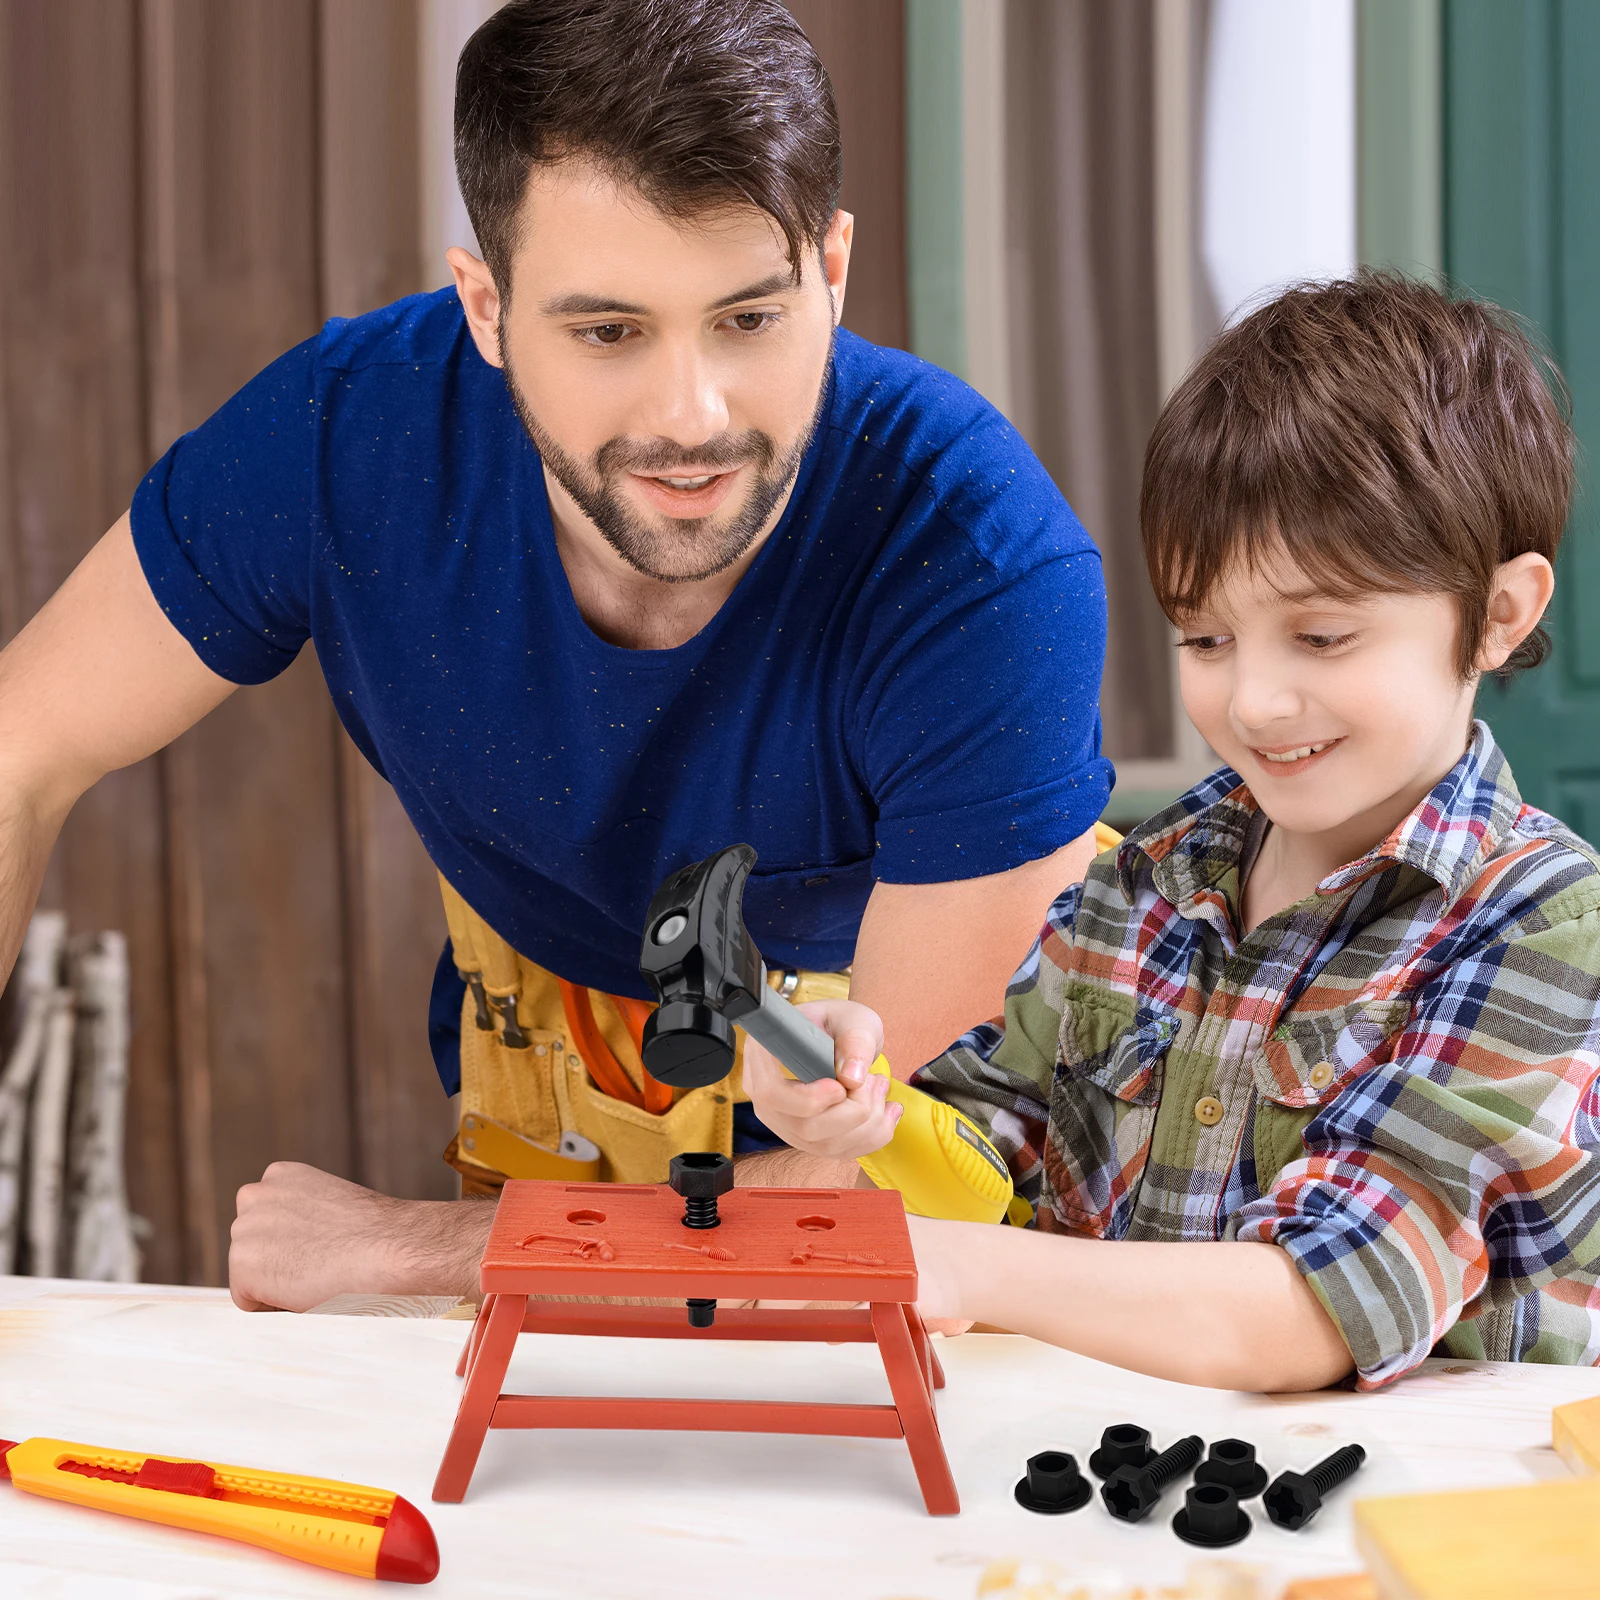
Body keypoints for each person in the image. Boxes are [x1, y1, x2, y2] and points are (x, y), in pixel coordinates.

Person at [0, 0, 1113, 1309]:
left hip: (901, 1139)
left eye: (749, 319)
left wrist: (419, 1252)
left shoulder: (984, 560)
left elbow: (838, 1230)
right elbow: (23, 748)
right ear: (485, 305)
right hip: (549, 1063)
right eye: (607, 333)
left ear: (835, 273)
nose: (691, 416)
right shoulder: (351, 436)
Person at [746, 273, 1600, 1392]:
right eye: (1204, 638)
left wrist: (970, 1268)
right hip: (1129, 1496)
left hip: (1409, 1532)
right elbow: (981, 1157)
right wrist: (847, 1114)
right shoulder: (1144, 881)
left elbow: (1324, 1300)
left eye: (1322, 636)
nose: (1253, 702)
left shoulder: (1537, 919)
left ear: (1496, 615)